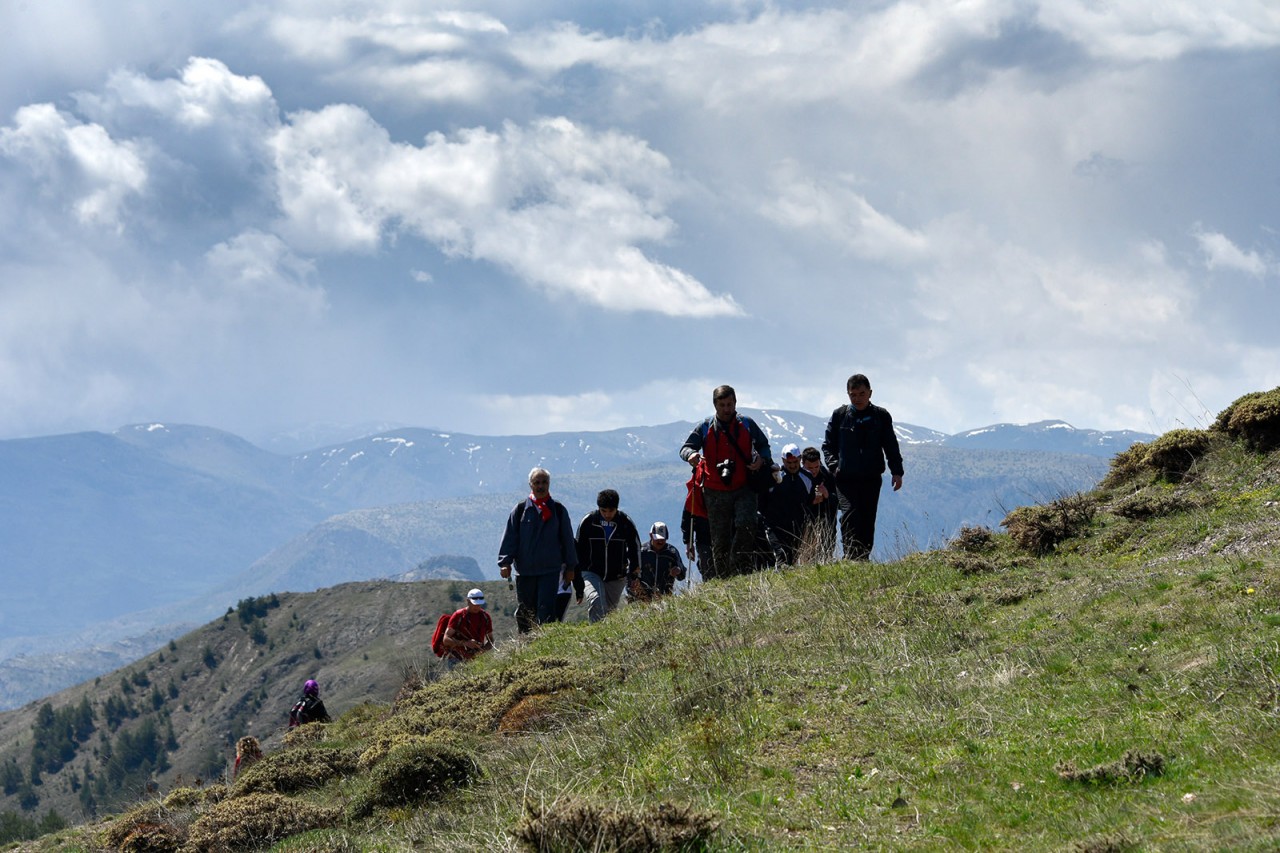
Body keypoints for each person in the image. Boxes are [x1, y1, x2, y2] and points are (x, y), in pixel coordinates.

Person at [679, 385, 773, 578]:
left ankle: (741, 568)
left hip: (744, 486)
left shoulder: (746, 424)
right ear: (715, 405)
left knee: (747, 525)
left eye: (730, 404)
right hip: (714, 490)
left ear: (735, 403)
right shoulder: (704, 427)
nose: (727, 409)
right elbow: (685, 448)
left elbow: (764, 446)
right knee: (720, 538)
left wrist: (761, 460)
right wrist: (692, 455)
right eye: (722, 405)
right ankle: (724, 578)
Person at [822, 374, 904, 561]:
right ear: (848, 394)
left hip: (871, 477)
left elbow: (890, 445)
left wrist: (897, 472)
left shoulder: (880, 416)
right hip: (845, 478)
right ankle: (850, 555)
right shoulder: (840, 416)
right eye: (853, 395)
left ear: (870, 393)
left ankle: (863, 556)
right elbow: (828, 446)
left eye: (861, 394)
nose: (857, 398)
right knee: (850, 513)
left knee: (867, 517)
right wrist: (834, 467)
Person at [499, 467, 578, 632]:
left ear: (549, 484)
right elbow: (510, 537)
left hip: (550, 571)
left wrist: (571, 567)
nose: (541, 486)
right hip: (525, 571)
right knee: (526, 611)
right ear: (530, 484)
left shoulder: (558, 510)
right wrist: (505, 562)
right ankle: (526, 643)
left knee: (547, 610)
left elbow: (568, 540)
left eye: (544, 482)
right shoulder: (520, 510)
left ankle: (544, 644)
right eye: (537, 482)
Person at [574, 489, 641, 623]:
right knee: (596, 601)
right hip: (590, 572)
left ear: (617, 508)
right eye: (603, 511)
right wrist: (578, 583)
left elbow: (635, 549)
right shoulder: (588, 522)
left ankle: (605, 641)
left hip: (616, 576)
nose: (607, 515)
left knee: (609, 613)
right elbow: (577, 551)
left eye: (611, 511)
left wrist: (634, 574)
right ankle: (596, 638)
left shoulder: (625, 523)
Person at [763, 443, 811, 565]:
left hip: (797, 528)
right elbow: (763, 498)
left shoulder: (807, 478)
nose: (793, 466)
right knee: (781, 557)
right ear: (783, 460)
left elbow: (811, 502)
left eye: (795, 462)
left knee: (791, 560)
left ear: (800, 459)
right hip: (775, 526)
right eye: (789, 463)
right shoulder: (775, 476)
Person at [800, 446, 838, 563]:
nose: (814, 470)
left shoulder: (826, 476)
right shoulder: (799, 477)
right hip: (804, 523)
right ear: (803, 463)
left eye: (816, 467)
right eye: (810, 468)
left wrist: (827, 495)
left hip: (826, 521)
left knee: (826, 553)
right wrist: (811, 501)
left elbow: (839, 502)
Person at [633, 522, 686, 600]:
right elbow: (630, 572)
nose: (660, 541)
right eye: (657, 538)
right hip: (642, 596)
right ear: (651, 535)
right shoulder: (642, 552)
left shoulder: (672, 552)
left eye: (662, 539)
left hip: (665, 596)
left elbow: (682, 574)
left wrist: (679, 570)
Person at [442, 588, 494, 665]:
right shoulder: (458, 616)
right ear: (468, 601)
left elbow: (491, 641)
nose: (477, 606)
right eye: (474, 603)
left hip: (477, 660)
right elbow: (446, 640)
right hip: (456, 659)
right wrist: (465, 643)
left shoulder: (485, 617)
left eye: (479, 604)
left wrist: (482, 651)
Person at [680, 460, 713, 581]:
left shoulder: (695, 492)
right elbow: (688, 515)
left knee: (708, 569)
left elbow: (687, 516)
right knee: (708, 569)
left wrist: (688, 543)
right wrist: (688, 542)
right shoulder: (695, 493)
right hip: (704, 536)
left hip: (703, 535)